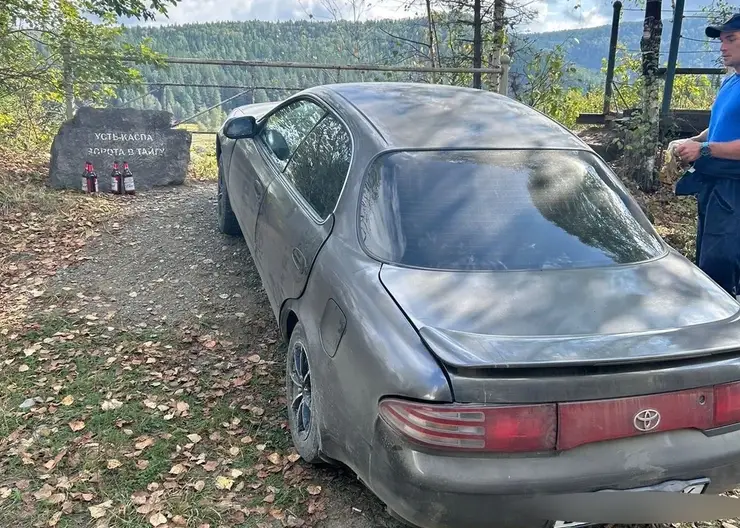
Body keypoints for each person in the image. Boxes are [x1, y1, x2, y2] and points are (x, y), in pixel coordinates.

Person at [674, 13, 740, 297]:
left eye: (731, 39)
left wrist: (704, 149)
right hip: (714, 183)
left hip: (734, 186)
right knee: (707, 253)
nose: (723, 47)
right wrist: (695, 139)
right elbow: (719, 125)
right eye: (721, 40)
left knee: (721, 261)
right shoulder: (731, 82)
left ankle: (723, 328)